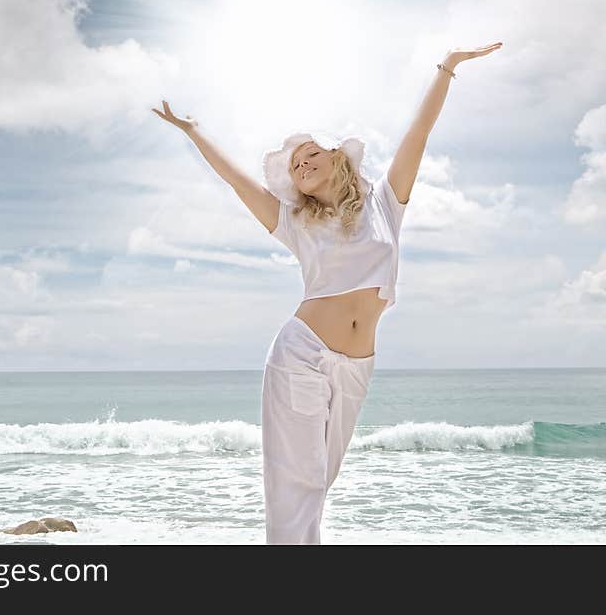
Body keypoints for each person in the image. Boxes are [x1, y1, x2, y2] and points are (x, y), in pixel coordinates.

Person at [152, 42, 503, 544]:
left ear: (337, 157)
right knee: (296, 486)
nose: (302, 165)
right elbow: (236, 181)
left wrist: (447, 67)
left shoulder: (385, 202)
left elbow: (418, 135)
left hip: (358, 364)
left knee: (319, 482)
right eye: (294, 166)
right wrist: (194, 132)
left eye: (311, 153)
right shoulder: (294, 222)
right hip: (303, 353)